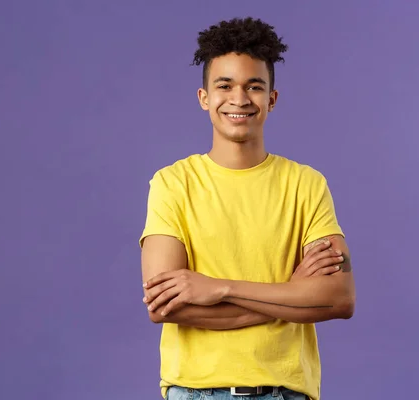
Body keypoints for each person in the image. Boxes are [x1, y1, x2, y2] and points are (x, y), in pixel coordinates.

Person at [139, 17, 356, 400]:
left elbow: (338, 299)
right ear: (204, 97)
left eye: (254, 87)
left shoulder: (306, 184)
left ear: (271, 99)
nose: (239, 99)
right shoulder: (172, 183)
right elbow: (164, 307)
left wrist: (218, 288)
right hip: (195, 392)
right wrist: (292, 293)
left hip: (285, 393)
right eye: (225, 86)